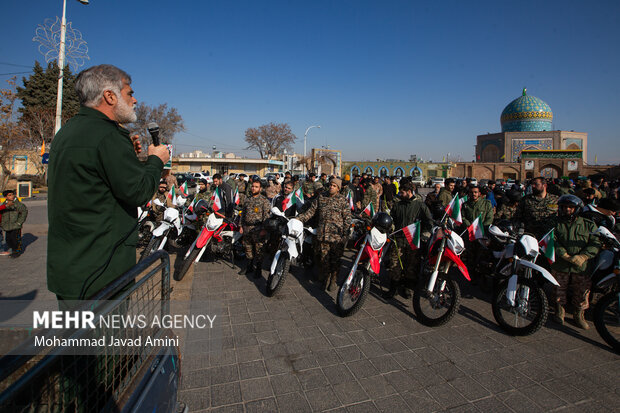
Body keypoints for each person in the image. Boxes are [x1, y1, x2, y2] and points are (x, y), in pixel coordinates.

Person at [47, 64, 169, 301]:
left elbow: (97, 185)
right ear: (110, 96)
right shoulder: (108, 135)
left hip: (73, 271)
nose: (135, 100)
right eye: (130, 93)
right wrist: (156, 160)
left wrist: (130, 159)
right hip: (101, 276)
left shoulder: (69, 130)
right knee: (105, 339)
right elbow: (139, 192)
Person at [552, 195, 600, 329]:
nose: (567, 210)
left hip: (581, 266)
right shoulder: (555, 222)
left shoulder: (588, 224)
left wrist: (584, 256)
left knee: (582, 292)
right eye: (564, 207)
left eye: (571, 207)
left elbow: (596, 242)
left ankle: (579, 314)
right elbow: (552, 239)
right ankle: (559, 311)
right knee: (559, 289)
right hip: (561, 263)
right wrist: (564, 255)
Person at [297, 178, 351, 291]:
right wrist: (299, 219)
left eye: (334, 186)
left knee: (335, 260)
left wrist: (345, 234)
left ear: (338, 188)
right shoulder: (321, 197)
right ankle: (325, 279)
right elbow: (311, 211)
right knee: (323, 260)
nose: (331, 187)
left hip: (337, 237)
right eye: (330, 185)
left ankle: (333, 280)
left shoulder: (342, 200)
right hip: (323, 234)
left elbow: (347, 219)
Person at [385, 182, 433, 299]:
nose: (400, 194)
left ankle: (408, 288)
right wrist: (391, 229)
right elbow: (392, 219)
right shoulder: (398, 205)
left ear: (409, 192)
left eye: (402, 192)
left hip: (413, 241)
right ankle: (393, 288)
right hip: (399, 240)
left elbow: (429, 222)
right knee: (394, 265)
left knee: (411, 266)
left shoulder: (420, 205)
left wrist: (425, 235)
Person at [239, 180, 271, 278]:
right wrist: (241, 226)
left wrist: (264, 229)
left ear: (260, 189)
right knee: (248, 248)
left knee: (259, 250)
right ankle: (249, 267)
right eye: (253, 186)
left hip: (258, 228)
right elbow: (243, 214)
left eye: (256, 187)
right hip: (247, 228)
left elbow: (266, 216)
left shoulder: (264, 201)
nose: (253, 188)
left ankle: (258, 269)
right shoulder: (247, 199)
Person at [0, 189, 28, 258]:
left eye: (12, 194)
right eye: (9, 195)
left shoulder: (18, 205)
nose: (12, 196)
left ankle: (16, 252)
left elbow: (24, 213)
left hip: (16, 225)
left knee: (15, 239)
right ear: (5, 197)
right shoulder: (4, 205)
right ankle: (13, 250)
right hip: (7, 226)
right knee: (8, 239)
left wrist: (19, 222)